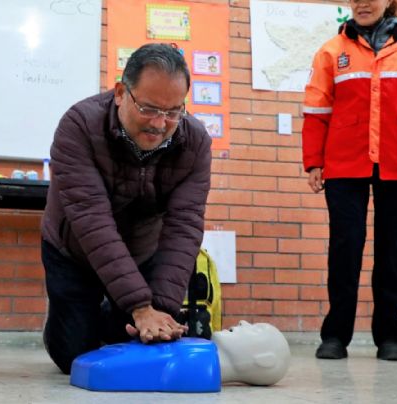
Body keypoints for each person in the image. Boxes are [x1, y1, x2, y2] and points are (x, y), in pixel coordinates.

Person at [41, 43, 212, 374]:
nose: (160, 124)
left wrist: (159, 310)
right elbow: (92, 221)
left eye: (174, 111)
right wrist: (139, 305)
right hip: (75, 249)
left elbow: (185, 226)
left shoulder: (196, 142)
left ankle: (111, 314)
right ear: (121, 92)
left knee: (141, 344)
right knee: (74, 357)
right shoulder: (79, 126)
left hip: (142, 249)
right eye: (148, 109)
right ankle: (67, 321)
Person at [302, 0, 397, 361]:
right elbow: (317, 111)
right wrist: (313, 162)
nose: (362, 2)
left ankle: (390, 337)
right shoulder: (332, 51)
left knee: (394, 251)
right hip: (344, 161)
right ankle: (335, 336)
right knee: (345, 249)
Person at [70, 321, 291, 392]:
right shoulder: (201, 351)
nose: (243, 323)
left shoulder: (201, 362)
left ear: (264, 360)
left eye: (256, 329)